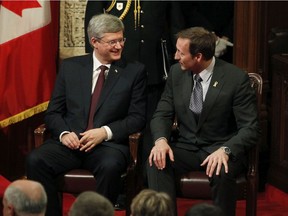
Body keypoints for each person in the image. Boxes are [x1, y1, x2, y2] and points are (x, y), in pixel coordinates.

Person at [26, 13, 147, 216]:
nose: (119, 46)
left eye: (121, 40)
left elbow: (137, 118)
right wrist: (64, 134)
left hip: (107, 146)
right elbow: (54, 112)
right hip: (70, 143)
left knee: (110, 166)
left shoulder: (134, 71)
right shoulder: (71, 68)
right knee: (35, 160)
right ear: (94, 42)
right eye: (112, 42)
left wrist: (105, 132)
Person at [146, 27, 260, 216]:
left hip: (220, 147)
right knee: (156, 160)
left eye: (181, 53)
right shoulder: (176, 73)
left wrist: (226, 150)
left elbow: (250, 128)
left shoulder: (235, 78)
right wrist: (161, 141)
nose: (175, 57)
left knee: (221, 171)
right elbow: (162, 114)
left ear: (198, 56)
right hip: (186, 147)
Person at [84, 1, 185, 161]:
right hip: (119, 71)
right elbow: (92, 28)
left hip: (154, 69)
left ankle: (148, 177)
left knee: (152, 129)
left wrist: (181, 65)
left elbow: (176, 27)